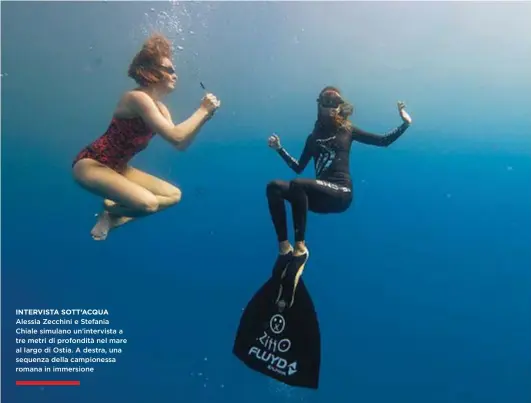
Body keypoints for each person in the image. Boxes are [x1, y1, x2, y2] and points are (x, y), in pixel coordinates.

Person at [266, 86, 412, 307]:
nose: (332, 105)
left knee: (297, 185)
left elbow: (382, 141)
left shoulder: (347, 129)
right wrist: (279, 149)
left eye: (336, 101)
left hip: (341, 194)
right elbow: (298, 167)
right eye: (327, 99)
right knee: (274, 187)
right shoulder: (312, 138)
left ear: (340, 106)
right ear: (319, 104)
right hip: (315, 197)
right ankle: (285, 249)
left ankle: (300, 249)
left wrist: (405, 123)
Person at [72, 33, 220, 240]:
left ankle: (111, 213)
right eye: (169, 70)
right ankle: (112, 212)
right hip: (91, 165)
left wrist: (205, 116)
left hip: (119, 168)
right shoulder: (137, 98)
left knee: (173, 195)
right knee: (148, 204)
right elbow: (176, 137)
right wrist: (202, 111)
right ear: (150, 72)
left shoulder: (161, 108)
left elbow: (181, 144)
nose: (175, 75)